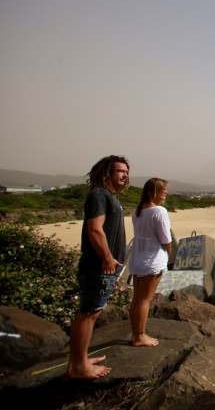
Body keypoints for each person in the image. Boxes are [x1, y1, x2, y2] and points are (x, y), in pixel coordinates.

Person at [67, 155, 129, 379]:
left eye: (126, 171)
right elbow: (95, 229)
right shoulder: (99, 195)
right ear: (106, 173)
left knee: (92, 311)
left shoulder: (109, 196)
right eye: (120, 171)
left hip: (104, 266)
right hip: (99, 266)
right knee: (89, 313)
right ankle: (78, 367)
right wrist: (108, 258)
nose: (125, 175)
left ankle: (80, 358)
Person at [128, 178, 172, 347]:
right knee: (144, 300)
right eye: (163, 190)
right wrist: (169, 254)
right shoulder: (159, 211)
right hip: (152, 260)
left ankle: (136, 333)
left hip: (138, 259)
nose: (166, 193)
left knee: (137, 299)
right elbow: (166, 239)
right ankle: (139, 336)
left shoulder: (137, 211)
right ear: (154, 192)